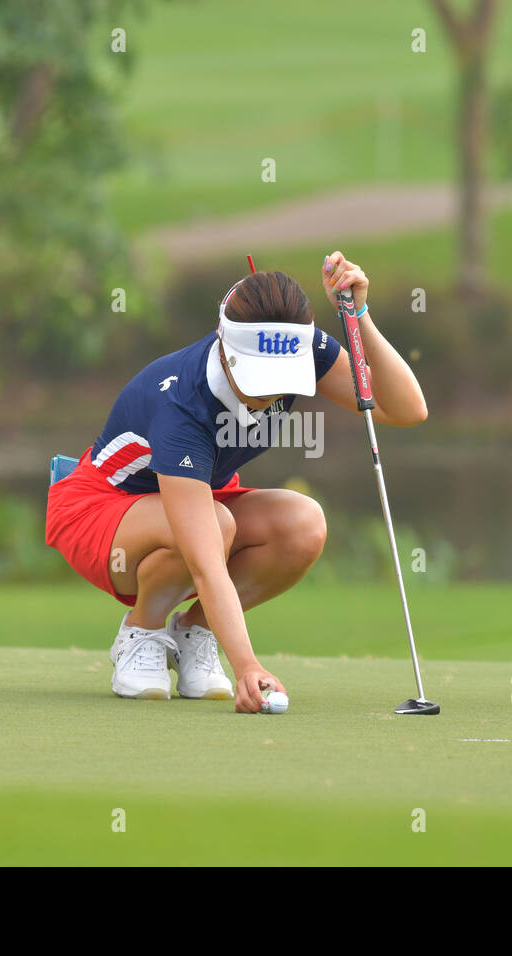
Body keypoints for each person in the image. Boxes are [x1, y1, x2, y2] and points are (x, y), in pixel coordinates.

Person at [46, 251, 428, 713]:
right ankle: (141, 633)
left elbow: (406, 409)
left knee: (303, 524)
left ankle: (195, 632)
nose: (269, 392)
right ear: (226, 348)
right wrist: (247, 665)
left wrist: (358, 316)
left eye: (280, 377)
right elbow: (207, 561)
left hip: (202, 501)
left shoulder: (303, 349)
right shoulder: (183, 404)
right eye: (259, 374)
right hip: (101, 511)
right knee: (216, 525)